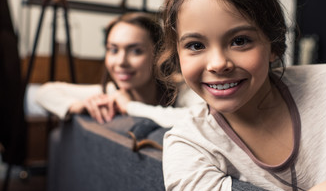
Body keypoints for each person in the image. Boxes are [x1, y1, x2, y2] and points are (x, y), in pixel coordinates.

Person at [158, 0, 326, 191]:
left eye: (240, 41)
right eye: (195, 45)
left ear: (273, 45)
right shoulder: (188, 145)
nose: (218, 64)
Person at [35, 12, 204, 127]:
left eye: (136, 51)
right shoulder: (110, 93)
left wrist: (130, 106)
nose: (121, 62)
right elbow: (44, 92)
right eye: (113, 50)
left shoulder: (182, 88)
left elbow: (202, 121)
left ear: (158, 55)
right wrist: (77, 106)